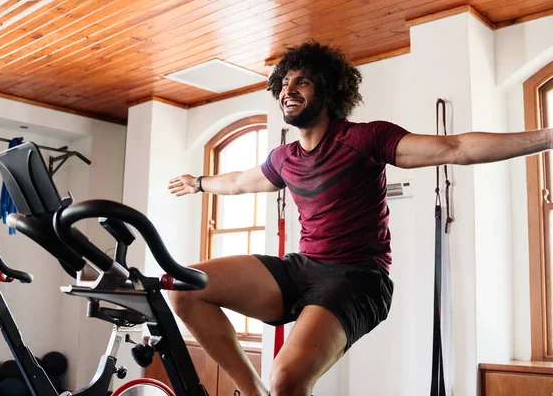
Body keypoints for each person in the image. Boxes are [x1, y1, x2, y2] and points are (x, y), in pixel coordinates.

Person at [167, 41, 552, 396]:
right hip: (303, 268)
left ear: (329, 91)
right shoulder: (283, 158)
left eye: (303, 81)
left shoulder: (365, 139)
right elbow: (237, 182)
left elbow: (457, 147)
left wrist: (548, 136)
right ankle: (254, 393)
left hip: (358, 279)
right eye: (285, 82)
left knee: (286, 377)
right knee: (185, 288)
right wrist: (198, 182)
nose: (289, 89)